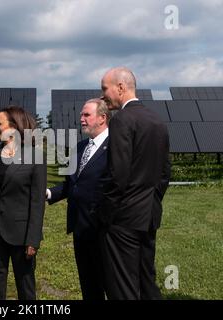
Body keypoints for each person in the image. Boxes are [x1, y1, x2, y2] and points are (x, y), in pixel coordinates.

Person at [100, 67, 171, 300]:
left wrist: (106, 213)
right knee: (146, 278)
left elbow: (117, 175)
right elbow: (164, 173)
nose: (103, 95)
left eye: (105, 89)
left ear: (120, 87)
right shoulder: (157, 120)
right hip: (149, 215)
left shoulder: (121, 120)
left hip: (124, 219)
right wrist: (152, 200)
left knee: (124, 285)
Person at [0, 106, 47, 300]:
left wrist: (33, 238)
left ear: (15, 126)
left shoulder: (35, 157)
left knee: (25, 285)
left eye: (0, 124)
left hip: (21, 234)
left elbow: (37, 202)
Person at [46, 98, 111, 300]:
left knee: (111, 283)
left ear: (102, 118)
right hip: (80, 227)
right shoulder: (80, 147)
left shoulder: (117, 145)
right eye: (81, 115)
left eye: (86, 115)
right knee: (89, 284)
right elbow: (71, 184)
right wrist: (48, 194)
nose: (81, 119)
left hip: (104, 229)